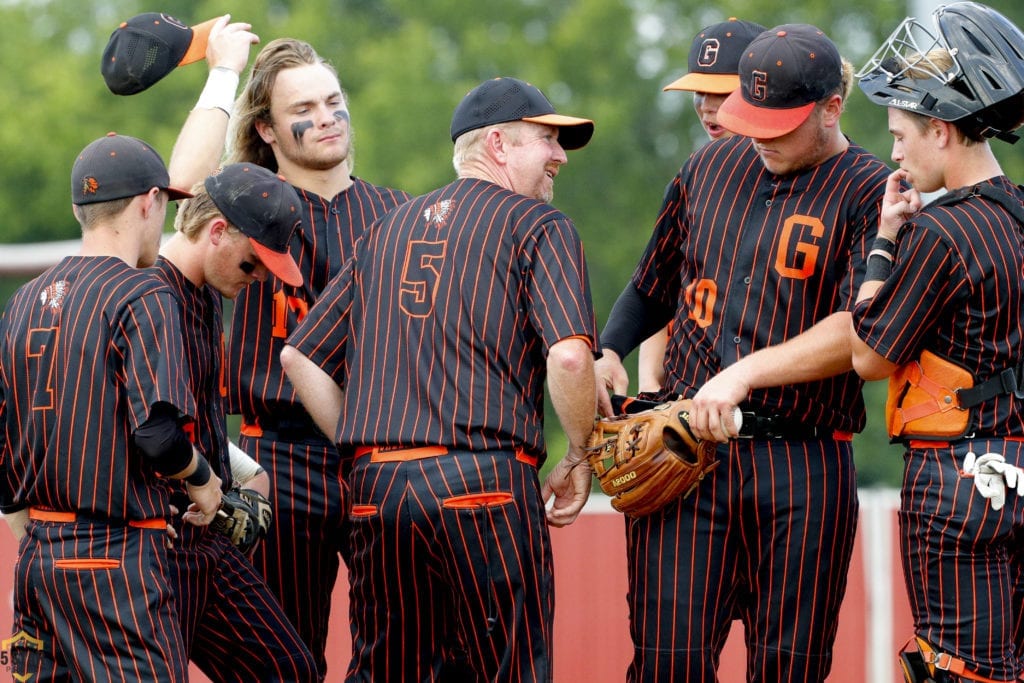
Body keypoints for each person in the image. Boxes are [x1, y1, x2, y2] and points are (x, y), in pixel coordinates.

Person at [594, 25, 891, 681]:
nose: (759, 136)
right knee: (667, 662)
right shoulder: (708, 164)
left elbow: (860, 329)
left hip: (804, 458)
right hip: (686, 450)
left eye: (778, 123)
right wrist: (609, 348)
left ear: (831, 107)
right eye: (749, 118)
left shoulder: (877, 190)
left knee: (790, 667)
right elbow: (652, 285)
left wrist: (743, 374)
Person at [280, 76, 598, 682]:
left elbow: (300, 358)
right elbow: (568, 359)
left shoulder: (384, 230)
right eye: (547, 141)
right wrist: (581, 453)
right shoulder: (538, 225)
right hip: (483, 485)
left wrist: (361, 445)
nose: (560, 156)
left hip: (379, 493)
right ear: (499, 145)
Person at [165, 34, 412, 677]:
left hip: (377, 454)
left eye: (333, 100)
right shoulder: (246, 207)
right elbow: (182, 189)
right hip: (276, 456)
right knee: (284, 658)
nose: (326, 116)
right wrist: (222, 69)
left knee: (400, 647)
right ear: (267, 130)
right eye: (303, 107)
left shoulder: (400, 216)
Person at [0, 133, 222, 681]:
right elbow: (157, 434)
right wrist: (203, 479)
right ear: (149, 201)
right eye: (164, 206)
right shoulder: (142, 293)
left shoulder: (24, 299)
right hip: (114, 562)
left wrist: (35, 534)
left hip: (37, 561)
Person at [851, 3, 1024, 681]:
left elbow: (868, 353)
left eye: (901, 134)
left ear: (942, 129)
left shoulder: (937, 232)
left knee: (955, 671)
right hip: (1017, 465)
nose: (894, 152)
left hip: (955, 485)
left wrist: (885, 239)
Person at [156, 162, 319, 681]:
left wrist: (243, 470)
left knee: (289, 669)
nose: (261, 278)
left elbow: (186, 415)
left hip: (203, 539)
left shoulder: (202, 293)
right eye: (254, 264)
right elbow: (144, 424)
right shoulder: (147, 296)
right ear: (219, 231)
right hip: (149, 544)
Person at [637, 17, 764, 393]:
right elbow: (659, 285)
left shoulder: (812, 176)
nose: (707, 108)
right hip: (686, 402)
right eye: (699, 93)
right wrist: (648, 386)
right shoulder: (697, 171)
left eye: (722, 94)